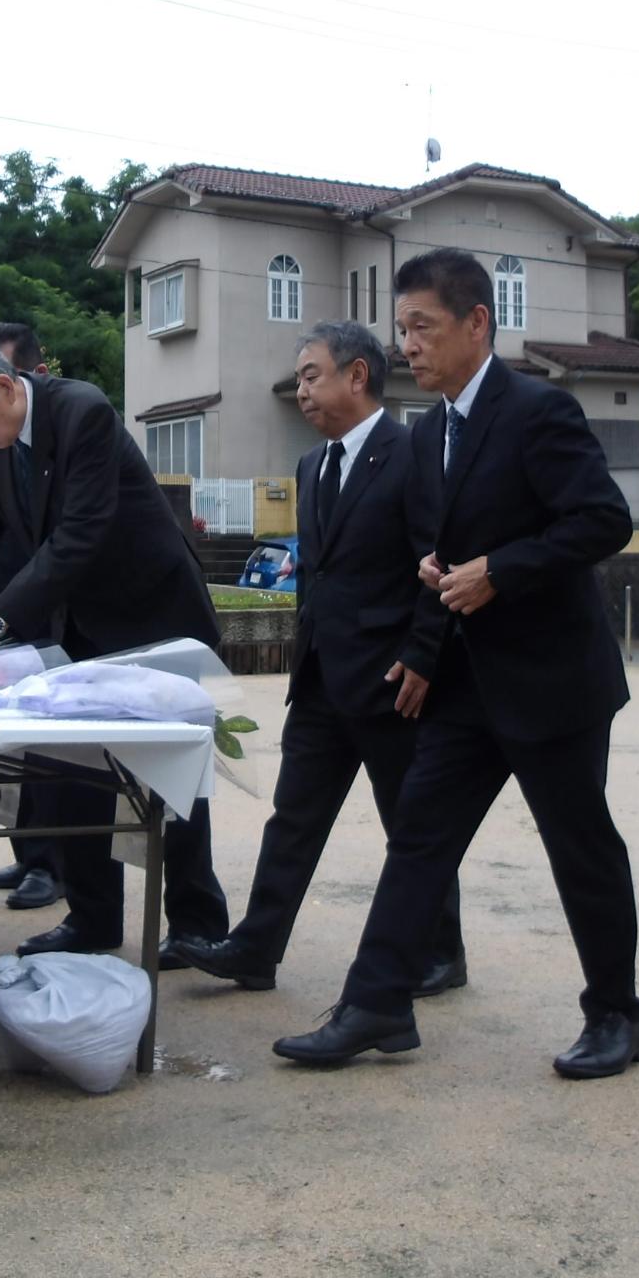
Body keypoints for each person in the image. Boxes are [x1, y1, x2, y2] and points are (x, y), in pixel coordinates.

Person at [274, 249, 639, 1078]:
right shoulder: (431, 430)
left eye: (425, 327)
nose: (410, 344)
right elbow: (440, 549)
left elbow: (603, 521)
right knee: (419, 840)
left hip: (553, 680)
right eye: (403, 328)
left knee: (579, 848)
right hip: (465, 683)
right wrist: (434, 604)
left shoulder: (538, 411)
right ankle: (377, 1004)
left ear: (478, 322)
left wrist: (501, 570)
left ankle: (617, 1015)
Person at [0, 339, 230, 958]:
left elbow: (82, 532)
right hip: (80, 621)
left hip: (151, 609)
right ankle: (92, 920)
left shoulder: (82, 411)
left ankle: (198, 924)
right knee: (71, 768)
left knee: (170, 773)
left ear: (3, 387)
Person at [178, 321, 465, 996]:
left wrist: (424, 656)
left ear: (357, 375)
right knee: (294, 818)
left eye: (312, 375)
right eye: (300, 379)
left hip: (394, 681)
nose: (302, 390)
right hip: (320, 678)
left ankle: (442, 953)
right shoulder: (314, 464)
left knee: (412, 825)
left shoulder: (412, 453)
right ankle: (256, 948)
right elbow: (319, 575)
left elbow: (438, 562)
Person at [0, 322, 63, 912]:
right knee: (16, 745)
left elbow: (76, 538)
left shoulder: (73, 422)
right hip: (12, 598)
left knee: (58, 745)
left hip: (63, 600)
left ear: (31, 377)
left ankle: (55, 865)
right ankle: (28, 852)